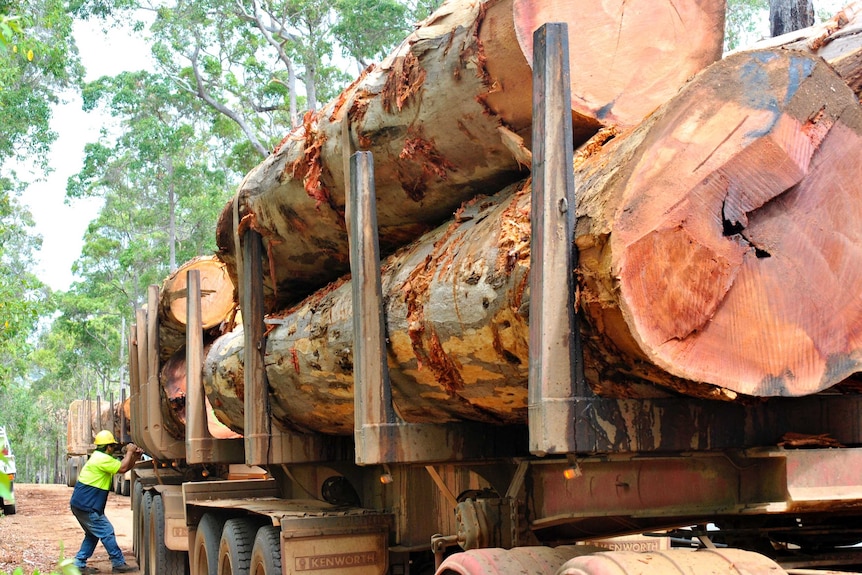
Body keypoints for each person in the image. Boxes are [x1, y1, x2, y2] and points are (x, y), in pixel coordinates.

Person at [70, 430, 143, 574]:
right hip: (87, 506)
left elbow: (124, 468)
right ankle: (118, 563)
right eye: (112, 447)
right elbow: (122, 467)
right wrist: (129, 451)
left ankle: (78, 563)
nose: (114, 449)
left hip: (81, 504)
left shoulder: (100, 458)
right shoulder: (101, 459)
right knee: (107, 531)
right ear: (108, 447)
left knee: (92, 535)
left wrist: (134, 457)